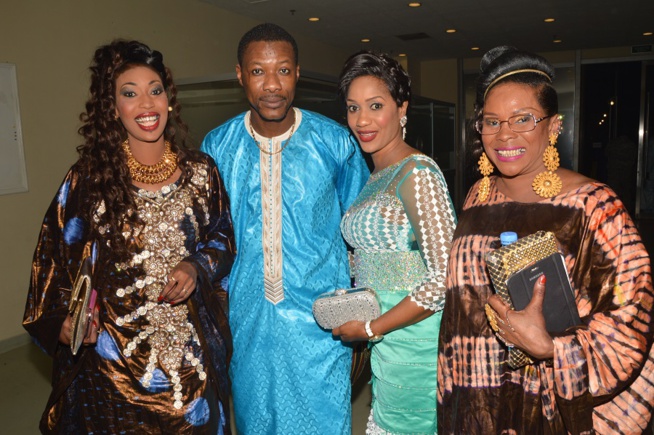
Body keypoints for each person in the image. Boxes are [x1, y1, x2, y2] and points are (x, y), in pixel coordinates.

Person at [437, 45, 654, 434]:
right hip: (475, 396)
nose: (504, 135)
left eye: (523, 119)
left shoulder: (593, 206)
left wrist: (553, 349)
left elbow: (632, 321)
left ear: (554, 126)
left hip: (545, 402)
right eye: (491, 121)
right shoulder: (477, 196)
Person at [23, 40, 235, 434]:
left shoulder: (202, 172)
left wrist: (196, 265)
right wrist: (62, 322)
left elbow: (222, 236)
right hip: (113, 369)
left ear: (169, 99)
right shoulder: (89, 180)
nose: (146, 105)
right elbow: (51, 260)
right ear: (113, 108)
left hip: (191, 367)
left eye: (155, 90)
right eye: (130, 94)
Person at [201, 23, 369, 434]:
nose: (272, 85)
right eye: (258, 71)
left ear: (298, 73)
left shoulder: (334, 142)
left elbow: (365, 232)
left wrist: (364, 320)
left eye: (283, 71)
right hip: (248, 322)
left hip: (323, 325)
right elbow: (206, 239)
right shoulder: (216, 148)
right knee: (257, 420)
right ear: (240, 74)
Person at [332, 51, 457, 434]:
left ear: (402, 108)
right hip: (385, 340)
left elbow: (443, 279)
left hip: (416, 342)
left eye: (375, 106)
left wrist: (371, 328)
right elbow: (382, 253)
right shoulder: (376, 174)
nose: (362, 120)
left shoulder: (418, 172)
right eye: (353, 108)